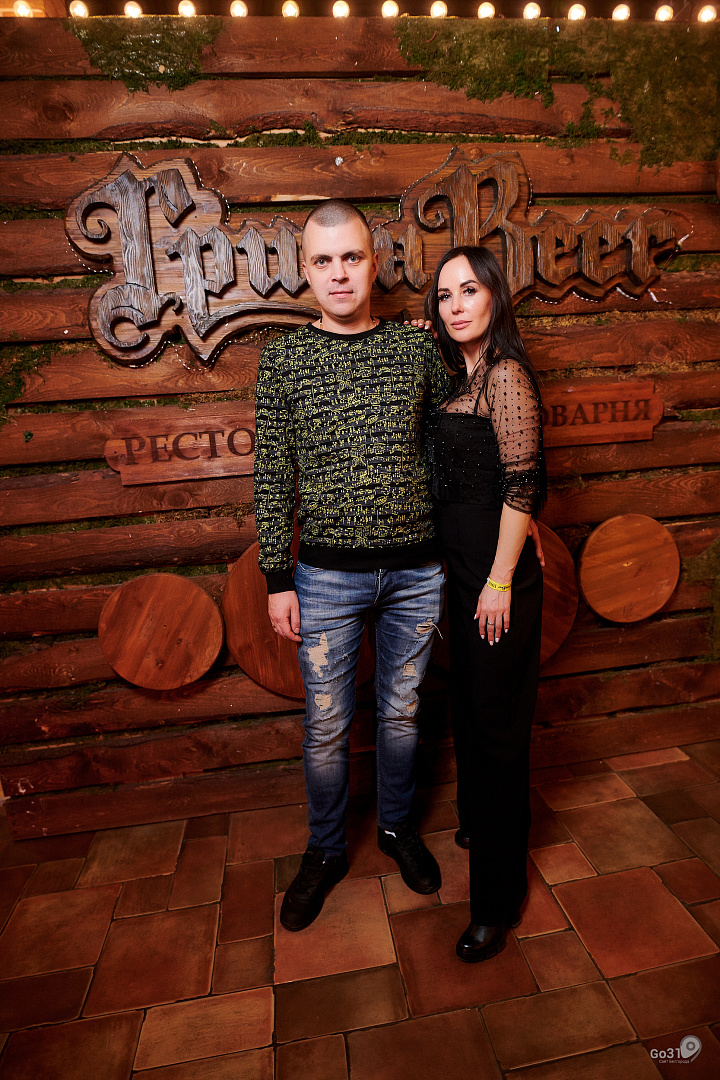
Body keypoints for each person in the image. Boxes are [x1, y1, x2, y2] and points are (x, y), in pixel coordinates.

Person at [254, 200, 447, 932]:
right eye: (324, 260)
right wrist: (278, 577)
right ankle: (327, 849)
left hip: (417, 573)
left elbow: (451, 443)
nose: (339, 273)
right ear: (306, 271)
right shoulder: (284, 359)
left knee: (402, 712)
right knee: (328, 723)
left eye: (352, 257)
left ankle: (396, 827)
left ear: (375, 263)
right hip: (326, 578)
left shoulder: (414, 350)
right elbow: (272, 474)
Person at [425, 245, 547, 963]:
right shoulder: (458, 375)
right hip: (463, 574)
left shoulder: (505, 376)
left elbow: (523, 484)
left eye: (469, 290)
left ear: (495, 296)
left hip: (496, 582)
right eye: (445, 295)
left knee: (497, 736)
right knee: (469, 713)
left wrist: (500, 579)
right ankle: (479, 823)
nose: (456, 305)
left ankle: (496, 904)